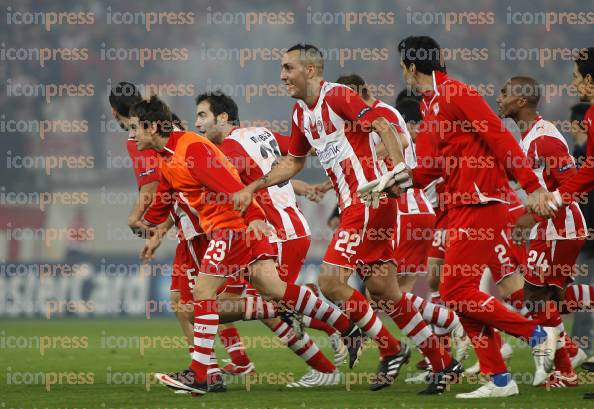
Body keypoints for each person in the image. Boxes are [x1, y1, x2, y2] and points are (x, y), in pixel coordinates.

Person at [234, 43, 461, 394]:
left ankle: (390, 347)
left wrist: (400, 169)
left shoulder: (337, 96)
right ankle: (443, 362)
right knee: (385, 292)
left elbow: (384, 124)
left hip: (367, 201)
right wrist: (255, 186)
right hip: (363, 204)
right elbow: (293, 161)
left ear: (310, 70)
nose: (282, 76)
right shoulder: (300, 115)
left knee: (330, 281)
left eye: (288, 68)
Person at [129, 96, 363, 396]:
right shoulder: (167, 156)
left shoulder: (193, 149)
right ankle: (347, 327)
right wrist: (147, 226)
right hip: (229, 229)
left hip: (232, 228)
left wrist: (253, 217)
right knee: (274, 291)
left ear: (151, 127)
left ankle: (202, 374)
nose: (132, 135)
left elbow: (233, 185)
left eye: (136, 128)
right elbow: (164, 200)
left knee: (203, 294)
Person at [397, 35, 557, 398]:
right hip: (459, 205)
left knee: (455, 289)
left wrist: (532, 186)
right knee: (458, 293)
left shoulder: (457, 93)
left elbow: (499, 137)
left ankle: (533, 333)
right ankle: (500, 379)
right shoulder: (430, 103)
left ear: (409, 66)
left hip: (482, 201)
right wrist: (398, 182)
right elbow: (431, 167)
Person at [194, 90, 347, 387]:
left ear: (223, 117)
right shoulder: (262, 133)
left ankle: (336, 325)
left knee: (268, 302)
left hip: (274, 230)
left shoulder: (228, 149)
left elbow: (229, 182)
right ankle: (323, 361)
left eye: (202, 115)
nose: (197, 124)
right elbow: (290, 160)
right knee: (256, 302)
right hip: (284, 226)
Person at [497, 76, 587, 387]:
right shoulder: (526, 139)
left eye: (505, 93)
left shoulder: (544, 139)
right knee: (552, 299)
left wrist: (530, 216)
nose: (498, 98)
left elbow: (571, 183)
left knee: (535, 297)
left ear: (521, 102)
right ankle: (567, 364)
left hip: (559, 227)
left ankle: (565, 367)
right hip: (548, 227)